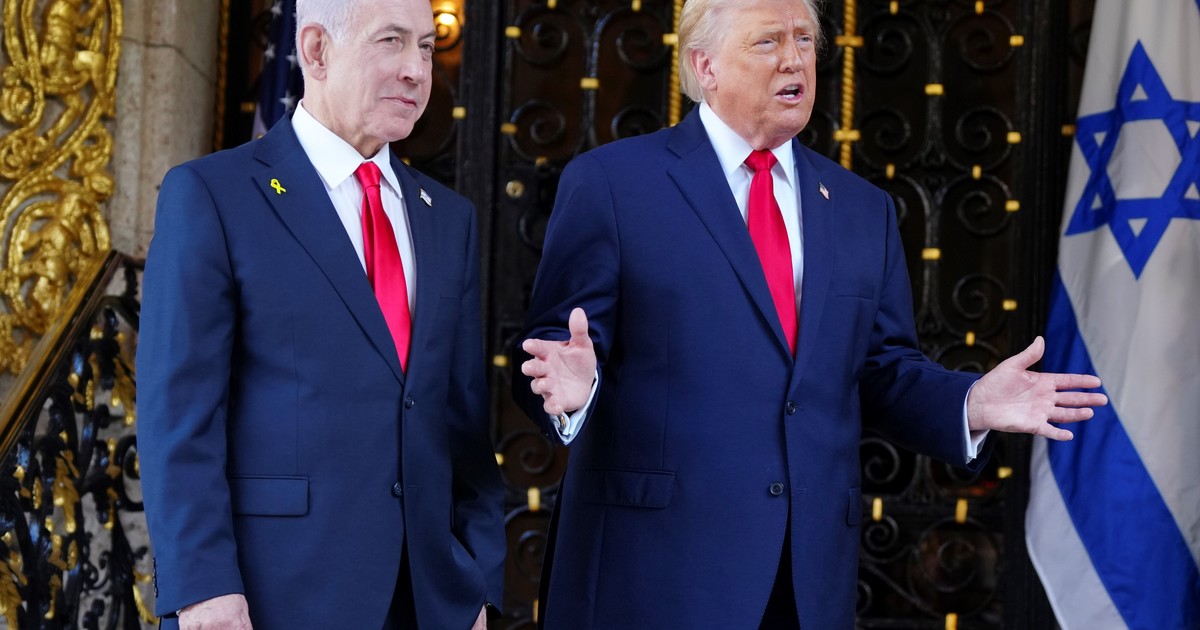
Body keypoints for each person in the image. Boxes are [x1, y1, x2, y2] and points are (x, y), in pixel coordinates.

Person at [512, 0, 1108, 627]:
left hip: (805, 580)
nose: (794, 59)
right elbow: (556, 347)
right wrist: (572, 390)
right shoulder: (613, 183)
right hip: (655, 573)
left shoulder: (861, 208)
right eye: (768, 41)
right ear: (705, 66)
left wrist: (968, 404)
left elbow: (881, 369)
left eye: (804, 40)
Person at [137, 0, 504, 628]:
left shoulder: (449, 218)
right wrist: (202, 586)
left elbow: (462, 425)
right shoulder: (213, 194)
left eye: (425, 46)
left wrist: (475, 583)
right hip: (269, 595)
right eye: (391, 41)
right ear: (315, 50)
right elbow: (179, 414)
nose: (417, 69)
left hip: (428, 601)